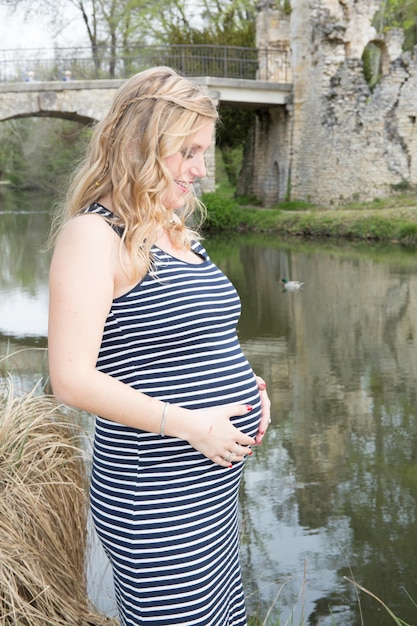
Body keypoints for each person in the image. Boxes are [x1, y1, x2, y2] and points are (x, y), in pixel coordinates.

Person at [48, 66, 271, 626]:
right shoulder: (93, 236)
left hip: (213, 492)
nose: (199, 170)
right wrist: (193, 424)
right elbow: (71, 379)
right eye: (188, 152)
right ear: (142, 145)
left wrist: (254, 391)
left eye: (205, 153)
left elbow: (198, 341)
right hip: (155, 496)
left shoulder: (175, 231)